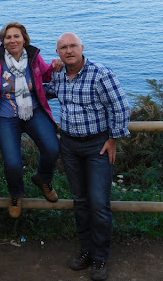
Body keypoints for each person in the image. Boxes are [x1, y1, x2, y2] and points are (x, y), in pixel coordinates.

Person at [46, 32, 131, 281]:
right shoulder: (59, 75)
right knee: (80, 201)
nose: (69, 50)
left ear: (82, 48)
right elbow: (48, 91)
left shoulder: (100, 73)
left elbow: (121, 106)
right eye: (63, 47)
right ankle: (86, 249)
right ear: (58, 53)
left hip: (98, 146)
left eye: (73, 46)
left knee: (99, 202)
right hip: (70, 146)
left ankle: (100, 256)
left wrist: (113, 138)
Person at [0, 22, 61, 218]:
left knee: (53, 148)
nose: (12, 40)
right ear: (3, 41)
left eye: (16, 36)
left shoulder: (33, 57)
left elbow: (45, 75)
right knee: (12, 162)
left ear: (24, 39)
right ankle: (16, 194)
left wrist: (55, 67)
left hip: (34, 111)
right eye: (8, 37)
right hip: (4, 116)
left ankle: (43, 179)